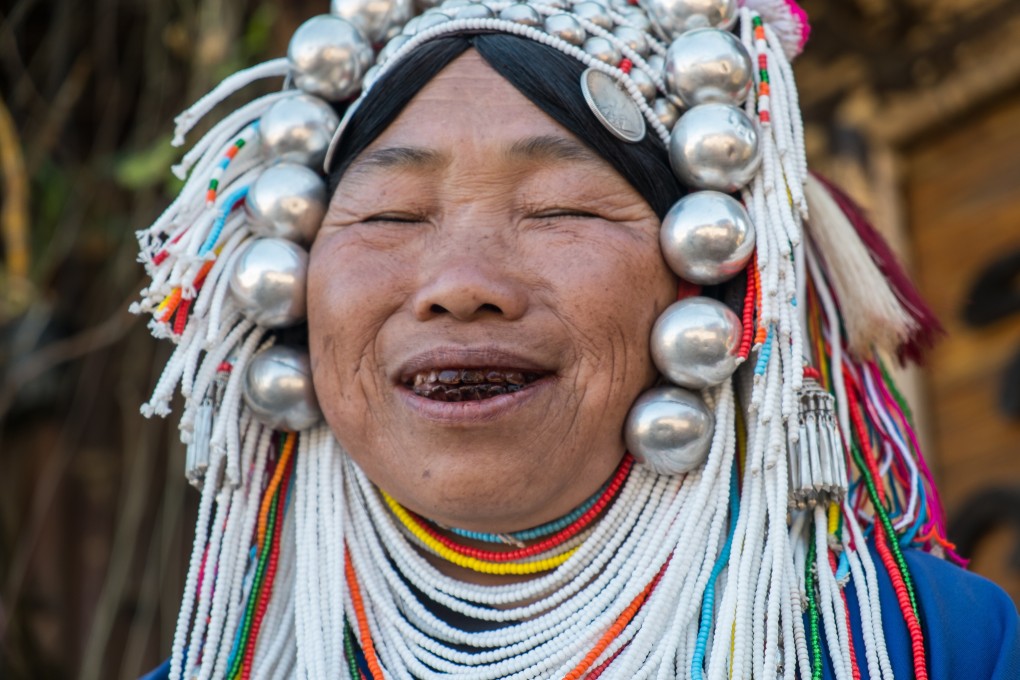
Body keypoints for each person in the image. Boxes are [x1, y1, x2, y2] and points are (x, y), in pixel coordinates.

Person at [135, 0, 1020, 678]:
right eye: (393, 215)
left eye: (557, 210)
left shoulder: (920, 643)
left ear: (706, 278)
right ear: (292, 294)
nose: (461, 286)